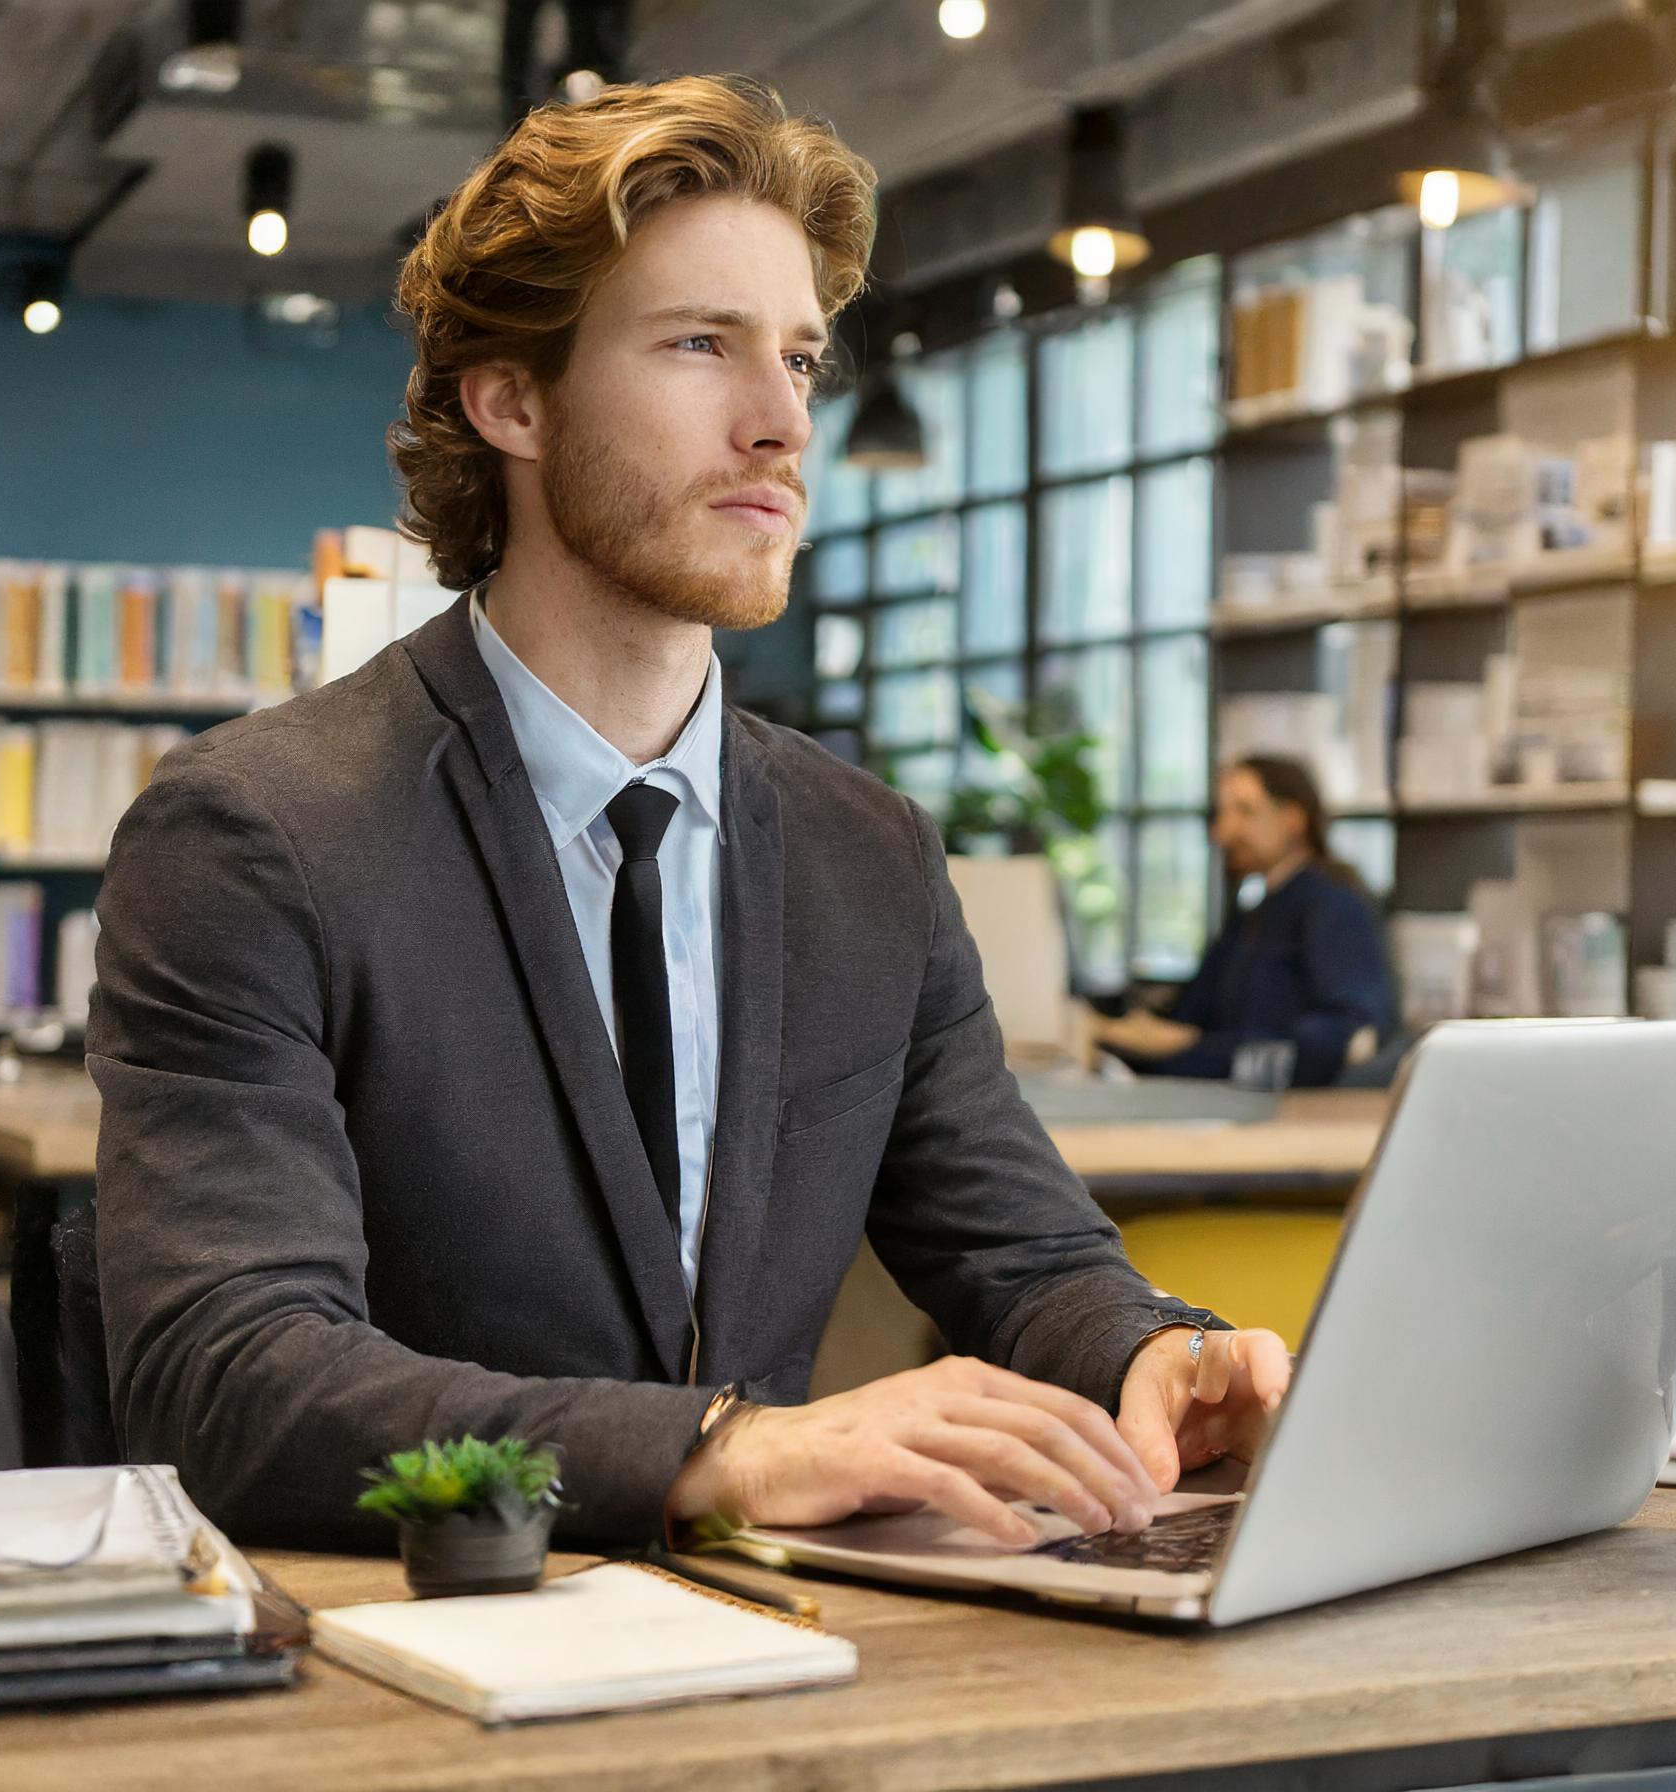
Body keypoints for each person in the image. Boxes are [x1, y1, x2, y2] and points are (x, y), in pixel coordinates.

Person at [89, 76, 1291, 1554]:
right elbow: (227, 1379)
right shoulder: (257, 835)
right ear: (512, 399)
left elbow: (1025, 1250)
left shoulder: (873, 854)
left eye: (797, 357)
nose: (783, 422)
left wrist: (1152, 1351)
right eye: (699, 346)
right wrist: (714, 1452)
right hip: (415, 1668)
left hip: (783, 1671)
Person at [1093, 757, 1395, 1086]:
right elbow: (1193, 1015)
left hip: (1292, 1112)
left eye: (1245, 811)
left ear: (1293, 819)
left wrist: (1196, 1046)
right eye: (1223, 814)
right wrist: (1125, 1032)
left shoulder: (1331, 906)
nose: (1223, 832)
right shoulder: (1254, 910)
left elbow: (1347, 1037)